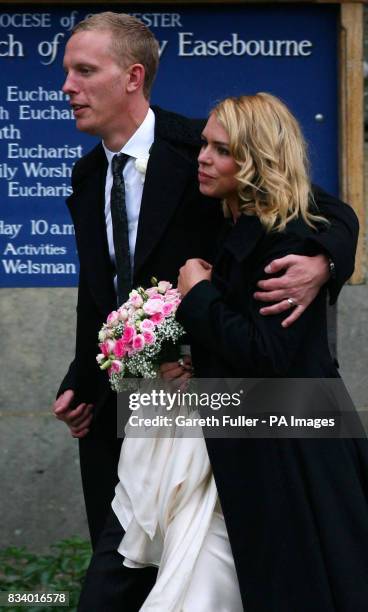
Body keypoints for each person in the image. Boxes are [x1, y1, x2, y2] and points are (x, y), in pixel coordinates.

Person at [51, 12, 358, 611]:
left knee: (210, 572)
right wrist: (82, 384)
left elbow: (314, 204)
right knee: (123, 564)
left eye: (84, 71)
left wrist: (323, 260)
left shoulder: (202, 148)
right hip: (134, 410)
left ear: (132, 78)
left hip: (222, 416)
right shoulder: (86, 177)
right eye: (69, 72)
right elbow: (103, 294)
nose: (68, 87)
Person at [172, 93, 368, 610]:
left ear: (257, 159)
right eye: (204, 145)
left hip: (294, 452)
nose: (203, 157)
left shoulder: (291, 241)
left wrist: (198, 295)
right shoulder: (237, 217)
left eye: (221, 150)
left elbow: (266, 353)